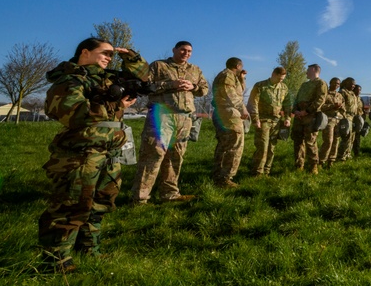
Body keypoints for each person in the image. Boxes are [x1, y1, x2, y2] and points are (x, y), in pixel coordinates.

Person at [39, 38, 150, 272]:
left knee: (99, 204)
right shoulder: (71, 78)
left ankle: (89, 249)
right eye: (105, 53)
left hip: (108, 153)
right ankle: (56, 261)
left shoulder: (105, 78)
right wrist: (112, 102)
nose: (109, 58)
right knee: (70, 205)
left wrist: (130, 56)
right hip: (81, 154)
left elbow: (142, 77)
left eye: (112, 54)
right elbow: (71, 113)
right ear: (85, 52)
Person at [130, 41, 209, 205]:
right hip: (162, 115)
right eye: (182, 50)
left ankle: (169, 194)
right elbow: (145, 87)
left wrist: (193, 86)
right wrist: (170, 84)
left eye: (189, 51)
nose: (186, 53)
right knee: (153, 154)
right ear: (174, 50)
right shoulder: (159, 66)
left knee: (176, 156)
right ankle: (139, 198)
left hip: (185, 118)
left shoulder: (195, 69)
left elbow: (204, 88)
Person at [211, 58, 250, 188]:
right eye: (241, 67)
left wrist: (242, 78)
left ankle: (218, 176)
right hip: (228, 114)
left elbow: (239, 91)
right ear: (238, 66)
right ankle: (225, 178)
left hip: (225, 112)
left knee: (224, 145)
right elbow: (231, 95)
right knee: (234, 145)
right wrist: (242, 109)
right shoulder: (227, 75)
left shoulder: (231, 76)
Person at [247, 67, 291, 177]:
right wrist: (255, 119)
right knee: (262, 147)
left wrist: (287, 118)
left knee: (271, 148)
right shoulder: (260, 86)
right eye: (279, 78)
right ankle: (257, 172)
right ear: (273, 74)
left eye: (283, 79)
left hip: (276, 122)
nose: (281, 81)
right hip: (263, 121)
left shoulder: (284, 88)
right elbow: (253, 103)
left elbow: (287, 104)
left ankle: (266, 171)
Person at [291, 64, 328, 173]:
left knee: (310, 142)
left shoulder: (321, 83)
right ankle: (299, 165)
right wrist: (296, 111)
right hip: (299, 117)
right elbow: (297, 99)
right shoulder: (304, 85)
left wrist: (307, 111)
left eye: (307, 70)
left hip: (310, 116)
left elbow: (320, 99)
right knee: (297, 141)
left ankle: (313, 166)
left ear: (313, 69)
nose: (306, 72)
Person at [317, 77, 346, 167]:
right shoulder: (325, 94)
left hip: (338, 120)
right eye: (334, 83)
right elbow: (321, 106)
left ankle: (331, 160)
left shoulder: (339, 95)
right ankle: (321, 160)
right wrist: (332, 106)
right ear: (330, 83)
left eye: (338, 84)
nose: (336, 85)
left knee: (336, 141)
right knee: (328, 141)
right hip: (328, 120)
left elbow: (344, 109)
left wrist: (341, 109)